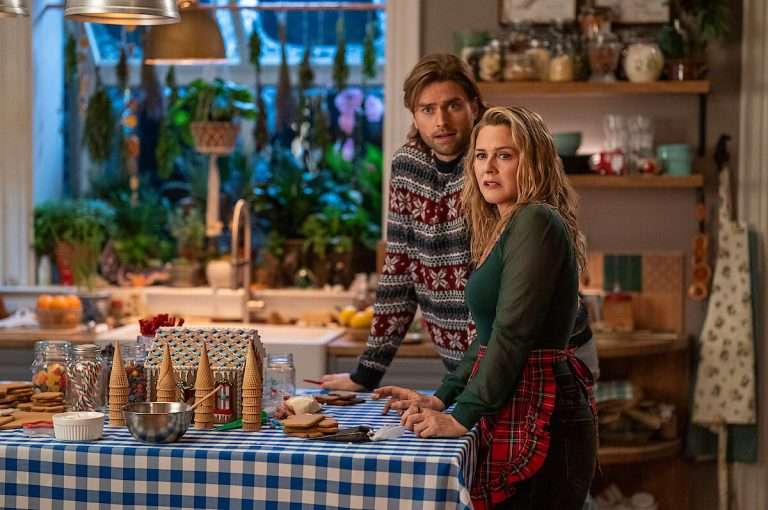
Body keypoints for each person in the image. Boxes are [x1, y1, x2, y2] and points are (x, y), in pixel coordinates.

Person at [320, 53, 597, 392]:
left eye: (453, 105)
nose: (441, 121)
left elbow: (507, 295)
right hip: (470, 369)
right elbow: (399, 271)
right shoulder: (407, 167)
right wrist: (366, 374)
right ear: (413, 115)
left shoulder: (499, 163)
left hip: (539, 359)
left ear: (474, 106)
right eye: (427, 109)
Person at [375, 106, 597, 510]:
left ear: (533, 162)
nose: (488, 168)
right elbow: (489, 335)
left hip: (547, 410)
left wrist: (461, 417)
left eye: (504, 155)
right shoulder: (505, 226)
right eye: (481, 155)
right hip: (522, 400)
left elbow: (512, 332)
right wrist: (442, 397)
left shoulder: (536, 220)